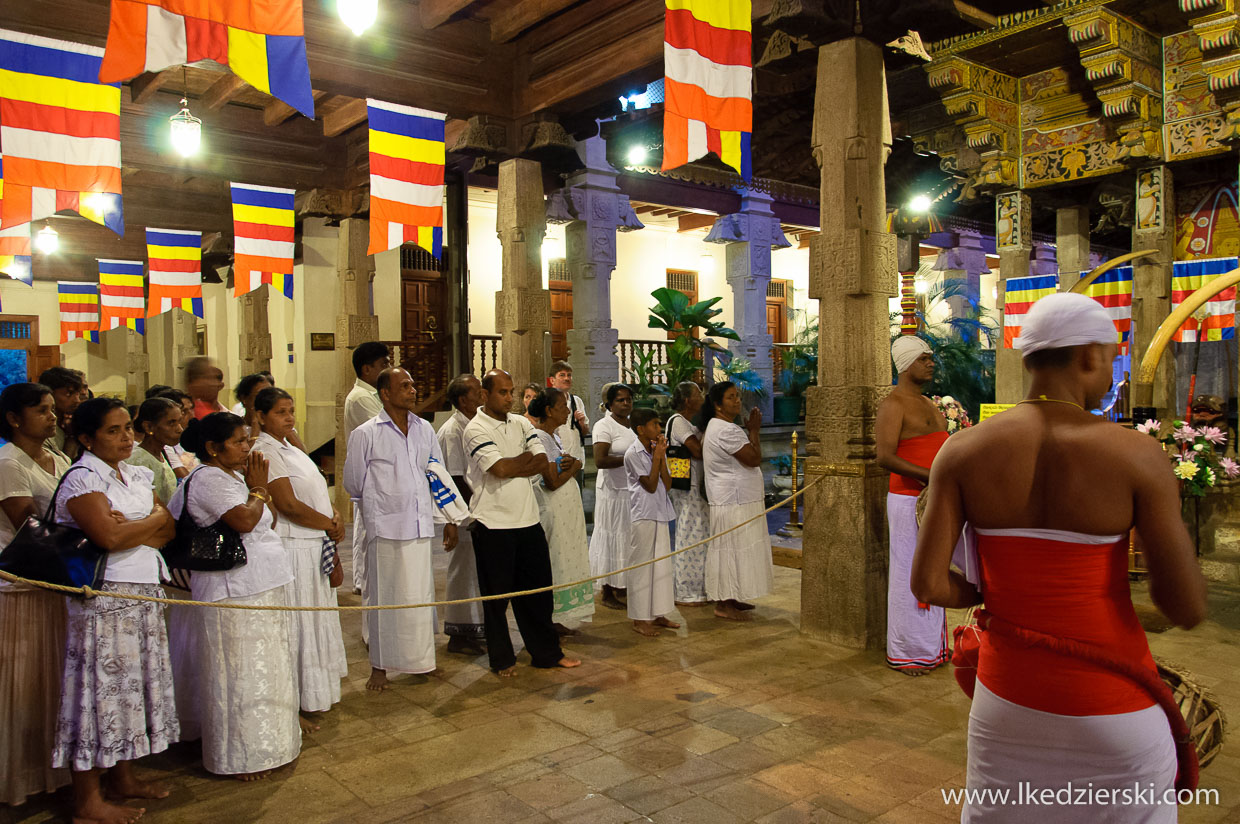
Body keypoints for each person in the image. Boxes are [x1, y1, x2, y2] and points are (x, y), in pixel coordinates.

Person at [912, 292, 1209, 822]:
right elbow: (1183, 605)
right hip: (1113, 706)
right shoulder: (1136, 455)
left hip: (1006, 706)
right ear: (1089, 356)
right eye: (1113, 360)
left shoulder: (961, 450)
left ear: (1028, 359)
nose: (1109, 375)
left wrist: (993, 597)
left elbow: (930, 585)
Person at [51, 397, 179, 823]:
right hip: (104, 599)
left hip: (143, 590)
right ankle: (87, 801)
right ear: (87, 438)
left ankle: (124, 775)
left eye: (128, 428)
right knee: (98, 692)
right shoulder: (83, 478)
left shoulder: (136, 473)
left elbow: (169, 528)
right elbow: (106, 536)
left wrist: (135, 528)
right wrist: (145, 523)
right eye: (113, 430)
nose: (126, 437)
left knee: (133, 689)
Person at [170, 412, 300, 780]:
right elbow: (245, 520)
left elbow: (267, 519)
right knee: (238, 672)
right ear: (212, 448)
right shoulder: (209, 477)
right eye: (239, 442)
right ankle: (240, 755)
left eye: (248, 440)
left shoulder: (234, 475)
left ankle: (274, 744)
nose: (247, 448)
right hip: (232, 591)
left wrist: (257, 491)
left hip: (259, 584)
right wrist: (259, 489)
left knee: (267, 666)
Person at [344, 367, 467, 692]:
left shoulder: (425, 429)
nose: (413, 390)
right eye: (405, 386)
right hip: (385, 528)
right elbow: (353, 483)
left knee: (419, 596)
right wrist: (381, 504)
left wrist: (449, 520)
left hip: (419, 525)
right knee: (385, 599)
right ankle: (380, 667)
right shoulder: (366, 434)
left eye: (413, 385)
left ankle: (420, 661)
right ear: (385, 394)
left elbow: (437, 473)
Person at [463, 369, 582, 677]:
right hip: (493, 522)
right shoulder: (475, 429)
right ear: (484, 395)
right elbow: (499, 469)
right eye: (502, 392)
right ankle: (502, 659)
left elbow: (542, 461)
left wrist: (516, 464)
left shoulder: (520, 422)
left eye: (511, 391)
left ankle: (546, 652)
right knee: (497, 599)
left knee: (538, 594)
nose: (509, 397)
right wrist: (519, 464)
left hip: (528, 520)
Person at [252, 387, 348, 723]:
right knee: (299, 623)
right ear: (261, 417)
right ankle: (297, 698)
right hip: (294, 546)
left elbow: (316, 490)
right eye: (280, 412)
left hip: (313, 541)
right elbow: (287, 504)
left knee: (316, 619)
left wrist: (334, 516)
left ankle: (317, 692)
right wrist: (328, 524)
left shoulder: (290, 446)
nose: (289, 417)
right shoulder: (264, 450)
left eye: (291, 410)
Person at [0, 383, 71, 806]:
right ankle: (20, 775)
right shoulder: (9, 462)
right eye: (41, 411)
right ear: (13, 418)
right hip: (20, 582)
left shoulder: (58, 457)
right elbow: (28, 521)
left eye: (51, 409)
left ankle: (55, 770)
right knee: (25, 679)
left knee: (53, 677)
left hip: (54, 578)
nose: (52, 416)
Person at [875, 335, 950, 674]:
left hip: (934, 497)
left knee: (934, 568)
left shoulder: (930, 403)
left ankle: (932, 646)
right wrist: (930, 475)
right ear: (906, 364)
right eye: (924, 358)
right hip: (908, 500)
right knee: (908, 571)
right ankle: (907, 651)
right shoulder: (894, 403)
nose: (931, 363)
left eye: (931, 358)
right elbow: (885, 456)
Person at [701, 382, 772, 621]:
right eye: (731, 397)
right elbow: (753, 458)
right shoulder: (725, 429)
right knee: (730, 549)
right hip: (733, 499)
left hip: (736, 498)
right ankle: (724, 602)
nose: (738, 401)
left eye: (738, 396)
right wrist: (754, 431)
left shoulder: (720, 426)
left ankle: (732, 595)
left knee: (736, 548)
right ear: (718, 405)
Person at [528, 387, 594, 634]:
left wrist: (570, 464)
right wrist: (575, 466)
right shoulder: (540, 438)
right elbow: (551, 481)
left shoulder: (553, 436)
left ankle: (559, 617)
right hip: (552, 508)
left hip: (565, 509)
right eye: (562, 407)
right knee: (554, 561)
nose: (567, 411)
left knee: (564, 560)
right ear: (548, 410)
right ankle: (549, 619)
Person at [435, 374, 488, 655]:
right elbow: (454, 476)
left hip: (478, 508)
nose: (482, 394)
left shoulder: (475, 423)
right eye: (477, 391)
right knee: (463, 569)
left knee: (477, 572)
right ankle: (458, 631)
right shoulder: (453, 430)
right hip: (465, 511)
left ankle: (476, 627)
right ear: (463, 399)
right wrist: (463, 515)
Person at [623, 407, 680, 637]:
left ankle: (659, 612)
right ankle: (639, 618)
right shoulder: (632, 453)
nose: (659, 428)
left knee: (661, 565)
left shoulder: (656, 449)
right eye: (655, 424)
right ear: (640, 429)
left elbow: (667, 484)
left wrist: (661, 456)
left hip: (660, 511)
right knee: (642, 566)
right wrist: (656, 458)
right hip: (643, 514)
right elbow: (650, 485)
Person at [344, 341, 392, 598]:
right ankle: (363, 580)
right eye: (383, 364)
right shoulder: (361, 398)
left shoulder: (373, 394)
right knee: (365, 532)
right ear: (366, 369)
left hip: (382, 476)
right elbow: (385, 430)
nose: (389, 368)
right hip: (370, 474)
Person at [590, 383, 636, 610]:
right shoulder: (603, 425)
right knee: (611, 536)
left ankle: (622, 583)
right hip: (612, 492)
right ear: (609, 404)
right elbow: (600, 460)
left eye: (628, 399)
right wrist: (631, 459)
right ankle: (608, 589)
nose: (626, 403)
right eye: (620, 400)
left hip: (630, 490)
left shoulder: (631, 424)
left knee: (627, 537)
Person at [666, 381, 710, 605]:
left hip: (694, 484)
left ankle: (700, 586)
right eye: (697, 393)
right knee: (689, 532)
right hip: (686, 485)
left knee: (699, 533)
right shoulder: (678, 422)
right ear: (686, 400)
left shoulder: (689, 422)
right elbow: (698, 451)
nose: (701, 396)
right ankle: (686, 590)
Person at [126, 397, 184, 504]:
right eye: (171, 423)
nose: (179, 429)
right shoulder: (138, 461)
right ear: (148, 427)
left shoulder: (161, 453)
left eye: (179, 422)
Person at [38, 366, 87, 461]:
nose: (77, 400)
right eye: (69, 394)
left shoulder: (73, 420)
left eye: (77, 394)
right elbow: (61, 469)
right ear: (50, 393)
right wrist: (71, 437)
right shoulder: (43, 431)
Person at [549, 360, 589, 467]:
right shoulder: (547, 401)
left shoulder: (577, 401)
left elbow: (585, 432)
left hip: (577, 456)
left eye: (569, 375)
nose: (567, 378)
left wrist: (581, 423)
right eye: (562, 375)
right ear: (552, 380)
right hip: (557, 458)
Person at [152, 387, 196, 475]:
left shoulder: (190, 435)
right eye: (184, 411)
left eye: (191, 409)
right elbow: (183, 476)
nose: (192, 416)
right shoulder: (166, 442)